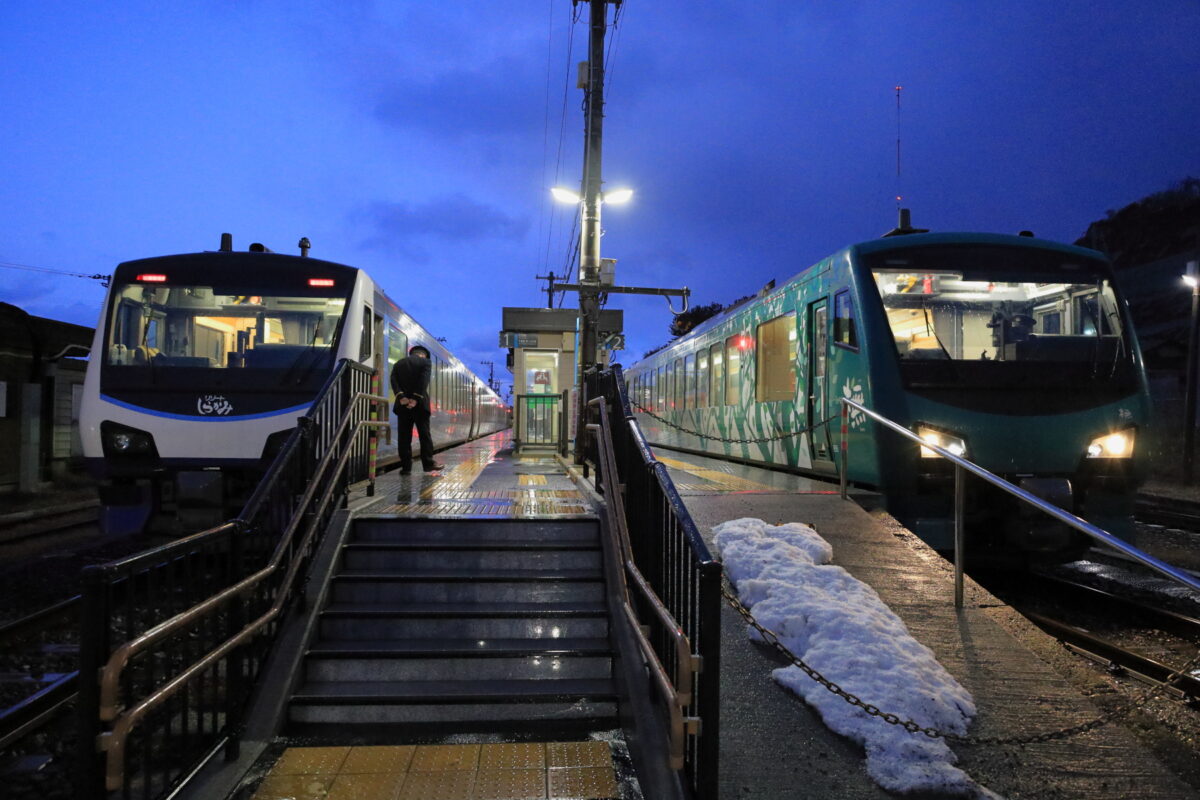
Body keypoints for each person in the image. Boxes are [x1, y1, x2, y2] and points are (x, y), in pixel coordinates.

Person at [390, 344, 444, 474]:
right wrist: (415, 398)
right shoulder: (426, 362)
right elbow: (423, 381)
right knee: (424, 435)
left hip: (402, 406)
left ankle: (406, 467)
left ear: (412, 353)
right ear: (423, 355)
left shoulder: (399, 363)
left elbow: (394, 381)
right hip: (420, 405)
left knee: (404, 437)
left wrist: (401, 397)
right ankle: (428, 464)